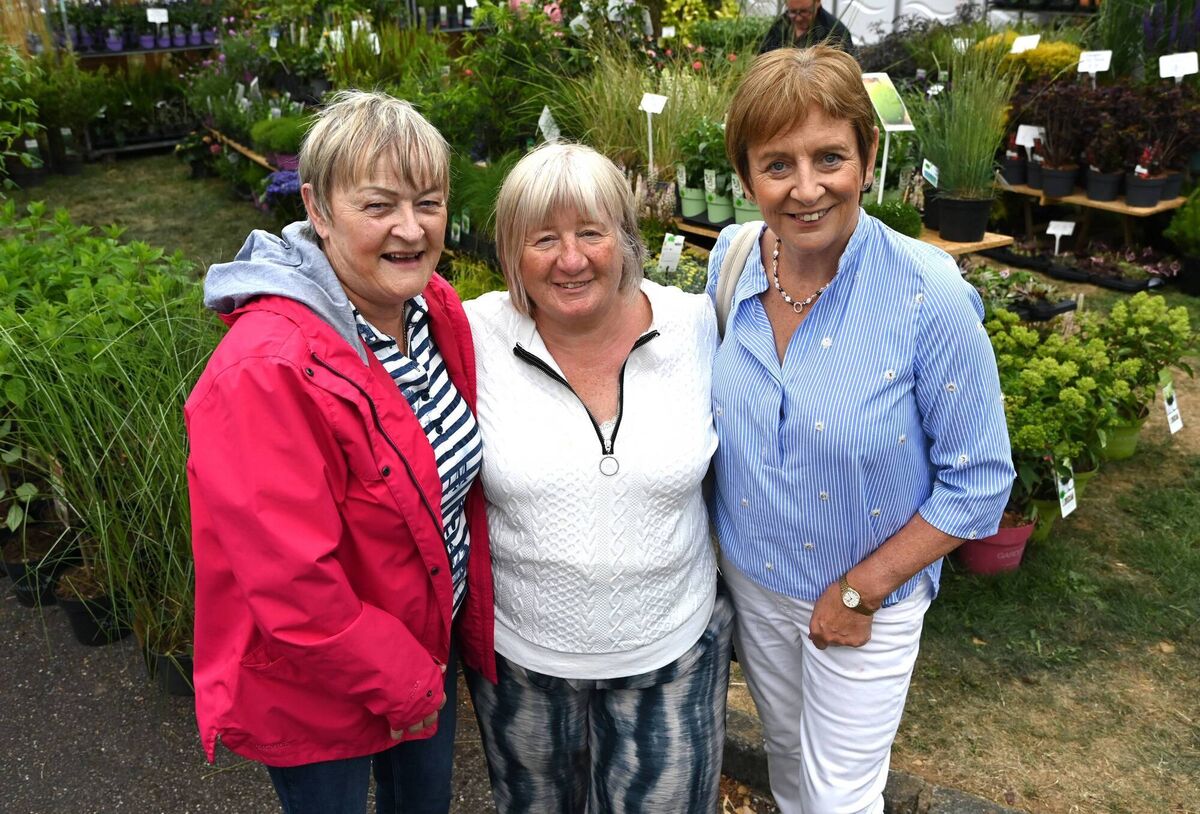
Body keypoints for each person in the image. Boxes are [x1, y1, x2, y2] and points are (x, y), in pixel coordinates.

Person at [707, 47, 1014, 813]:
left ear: (868, 158)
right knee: (787, 769)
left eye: (830, 157)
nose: (807, 188)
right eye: (777, 165)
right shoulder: (732, 262)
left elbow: (980, 482)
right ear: (745, 177)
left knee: (841, 797)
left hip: (866, 598)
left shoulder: (927, 294)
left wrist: (859, 591)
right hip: (755, 581)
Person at [185, 90, 495, 814]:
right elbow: (295, 587)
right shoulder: (266, 368)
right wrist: (409, 682)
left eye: (428, 202)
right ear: (318, 210)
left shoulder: (430, 311)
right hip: (314, 688)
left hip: (421, 646)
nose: (411, 229)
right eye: (379, 205)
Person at [462, 142, 733, 813]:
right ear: (511, 252)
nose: (571, 259)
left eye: (591, 232)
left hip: (672, 649)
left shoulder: (695, 325)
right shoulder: (472, 336)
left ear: (626, 237)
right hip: (523, 662)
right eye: (543, 239)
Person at [759, 0, 855, 55]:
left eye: (804, 12)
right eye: (792, 12)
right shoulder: (780, 25)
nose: (798, 18)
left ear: (818, 2)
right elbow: (762, 57)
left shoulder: (835, 31)